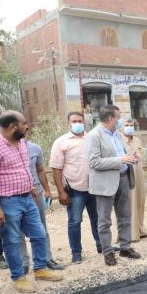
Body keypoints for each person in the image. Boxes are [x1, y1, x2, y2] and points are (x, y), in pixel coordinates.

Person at [0, 110, 63, 293]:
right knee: (12, 240)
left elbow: (24, 168)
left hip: (28, 197)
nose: (27, 126)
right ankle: (18, 277)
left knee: (39, 234)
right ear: (12, 127)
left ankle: (40, 269)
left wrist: (30, 186)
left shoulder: (21, 141)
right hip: (7, 202)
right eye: (23, 123)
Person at [87, 105, 141, 266]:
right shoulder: (94, 136)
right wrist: (120, 160)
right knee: (104, 220)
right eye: (118, 117)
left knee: (125, 215)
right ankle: (108, 252)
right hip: (105, 183)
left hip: (123, 178)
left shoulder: (117, 134)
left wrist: (130, 157)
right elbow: (94, 162)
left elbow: (119, 154)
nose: (120, 121)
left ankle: (125, 247)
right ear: (111, 119)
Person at [50, 111, 102, 264]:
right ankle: (76, 253)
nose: (78, 124)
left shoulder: (91, 138)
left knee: (98, 219)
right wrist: (61, 192)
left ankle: (102, 246)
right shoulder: (61, 142)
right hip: (74, 190)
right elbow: (56, 169)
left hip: (94, 187)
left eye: (80, 121)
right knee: (74, 221)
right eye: (74, 121)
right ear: (68, 123)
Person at [18, 137, 64, 271]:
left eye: (25, 126)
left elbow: (40, 170)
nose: (24, 129)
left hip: (36, 194)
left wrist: (47, 190)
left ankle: (46, 258)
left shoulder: (35, 148)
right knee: (18, 232)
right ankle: (23, 264)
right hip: (15, 196)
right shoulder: (0, 147)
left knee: (41, 228)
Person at [120, 117, 147, 242]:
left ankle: (140, 229)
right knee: (129, 202)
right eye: (126, 125)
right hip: (126, 174)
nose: (129, 127)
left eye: (131, 125)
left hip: (138, 173)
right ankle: (131, 234)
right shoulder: (118, 140)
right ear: (121, 127)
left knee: (140, 200)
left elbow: (140, 155)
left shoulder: (137, 140)